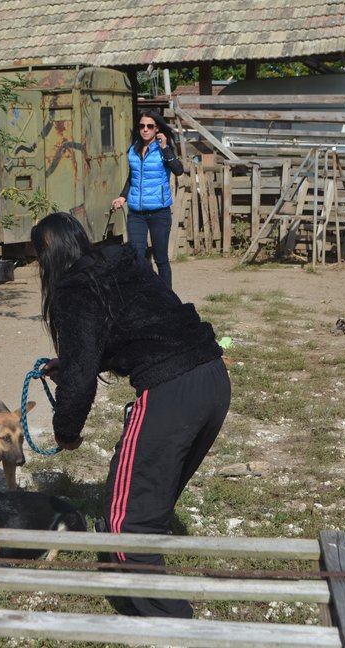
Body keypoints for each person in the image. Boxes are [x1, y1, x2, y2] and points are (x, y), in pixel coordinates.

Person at [32, 212, 231, 619]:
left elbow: (81, 381)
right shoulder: (120, 262)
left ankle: (175, 625)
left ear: (46, 258)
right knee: (144, 499)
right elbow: (140, 327)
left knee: (129, 525)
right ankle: (128, 589)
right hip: (212, 377)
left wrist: (66, 433)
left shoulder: (73, 288)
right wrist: (70, 362)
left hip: (171, 391)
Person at [110, 110, 184, 289]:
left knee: (161, 259)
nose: (145, 129)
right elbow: (133, 177)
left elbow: (178, 170)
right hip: (137, 213)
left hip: (159, 213)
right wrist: (122, 196)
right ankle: (143, 296)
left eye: (149, 126)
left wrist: (165, 148)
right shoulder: (134, 149)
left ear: (157, 128)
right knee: (138, 257)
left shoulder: (163, 150)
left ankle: (167, 299)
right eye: (142, 126)